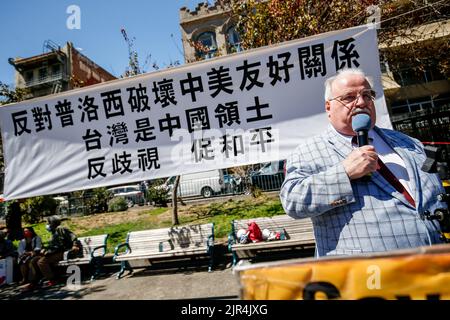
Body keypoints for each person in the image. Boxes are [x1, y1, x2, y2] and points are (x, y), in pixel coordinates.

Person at [280, 68, 447, 257]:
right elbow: (293, 202)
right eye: (349, 97)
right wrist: (344, 173)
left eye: (367, 95)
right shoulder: (308, 151)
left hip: (433, 265)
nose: (361, 102)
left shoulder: (407, 142)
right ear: (328, 107)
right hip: (365, 276)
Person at [25, 216, 82, 290]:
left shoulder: (61, 229)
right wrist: (45, 250)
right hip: (55, 252)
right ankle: (33, 282)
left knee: (42, 262)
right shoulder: (54, 231)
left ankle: (52, 280)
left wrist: (75, 245)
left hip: (64, 252)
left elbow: (73, 237)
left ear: (52, 223)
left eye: (48, 223)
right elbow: (53, 246)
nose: (47, 225)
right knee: (34, 260)